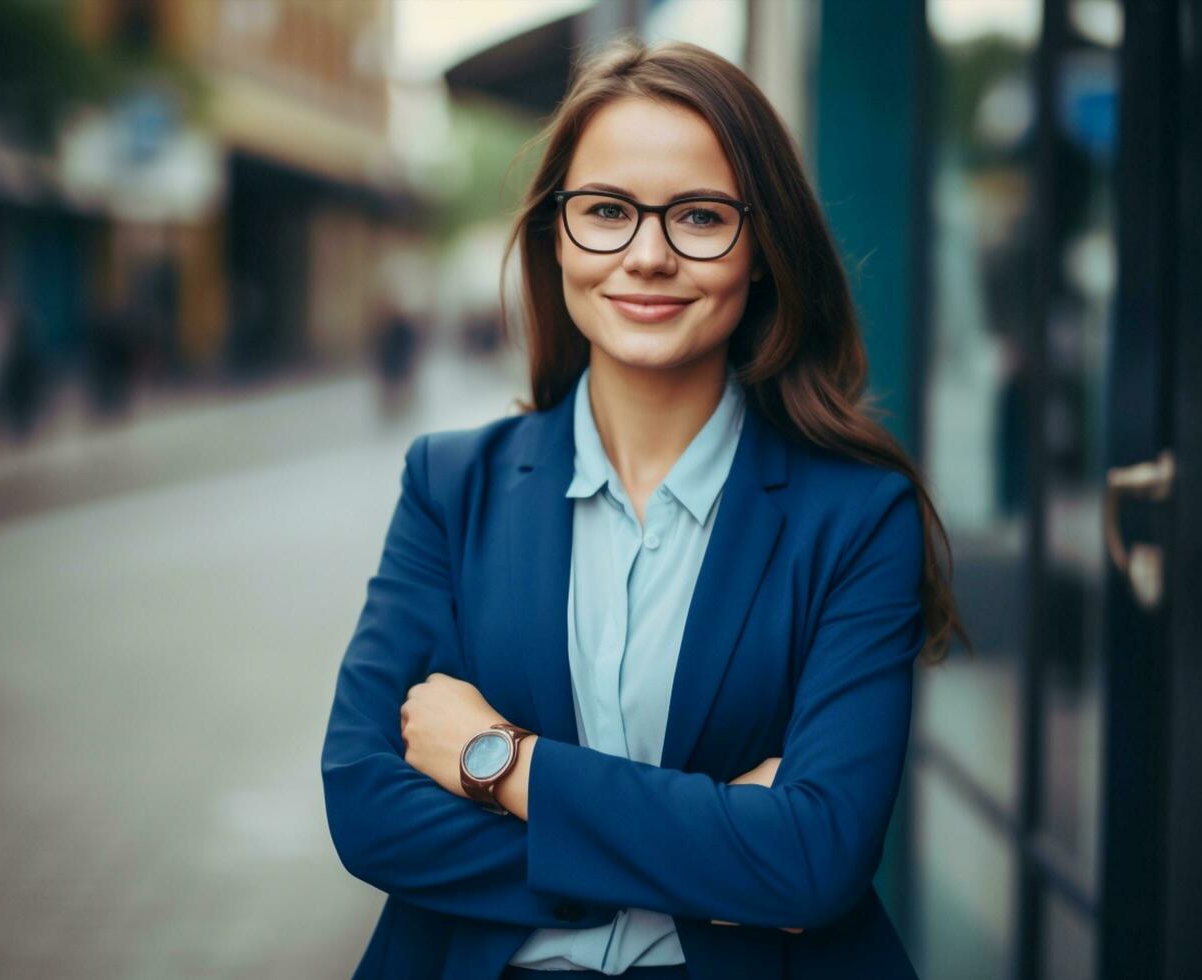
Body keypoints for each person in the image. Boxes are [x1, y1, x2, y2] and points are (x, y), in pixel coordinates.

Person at [321, 35, 971, 980]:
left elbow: (816, 857)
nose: (649, 255)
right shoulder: (449, 486)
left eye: (700, 217)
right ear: (556, 233)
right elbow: (367, 809)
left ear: (762, 249)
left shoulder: (860, 517)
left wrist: (501, 765)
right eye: (608, 212)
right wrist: (722, 850)